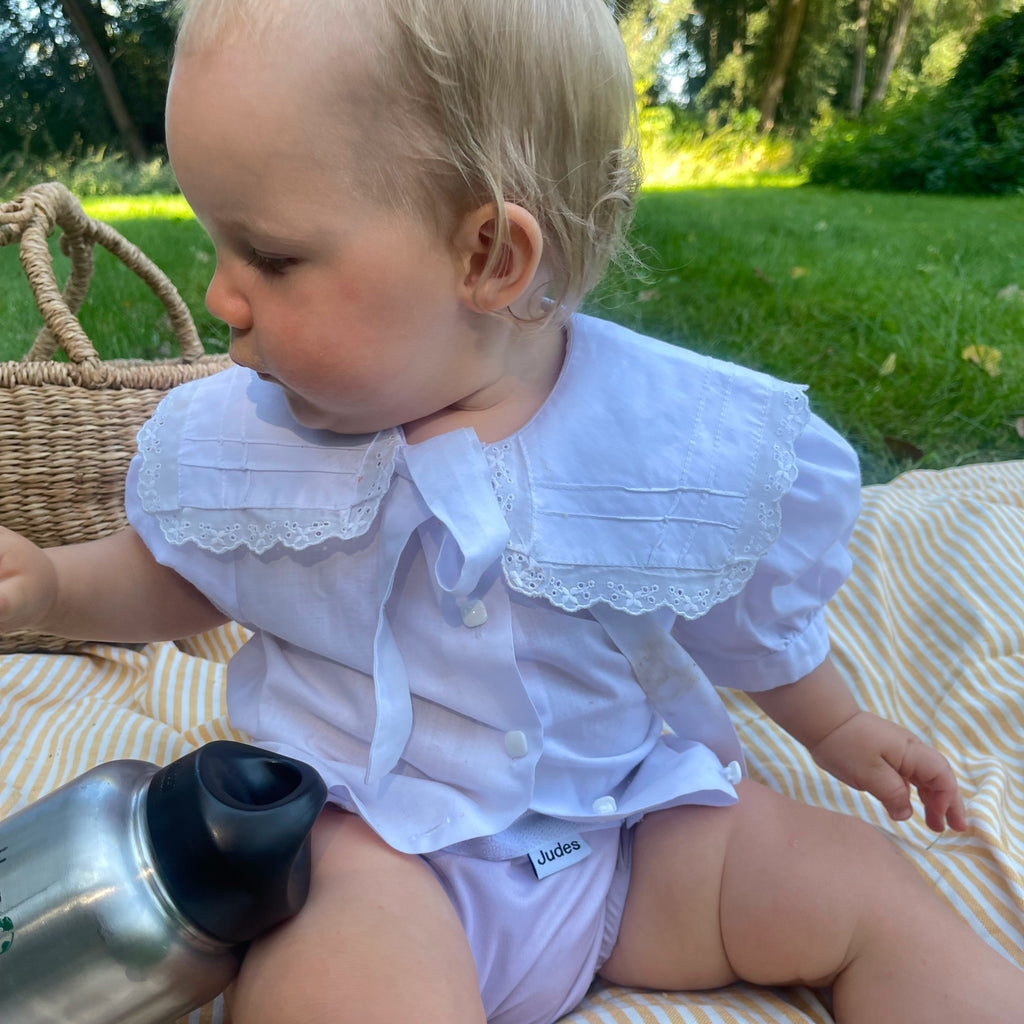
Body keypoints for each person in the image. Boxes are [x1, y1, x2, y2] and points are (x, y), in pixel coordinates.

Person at [1, 0, 1022, 1021]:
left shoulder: (656, 434)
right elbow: (176, 571)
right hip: (369, 844)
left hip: (621, 831)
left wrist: (838, 725)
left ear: (488, 257)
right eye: (216, 244)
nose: (222, 297)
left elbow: (730, 596)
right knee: (342, 980)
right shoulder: (256, 433)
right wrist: (51, 584)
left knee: (859, 883)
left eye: (267, 257)